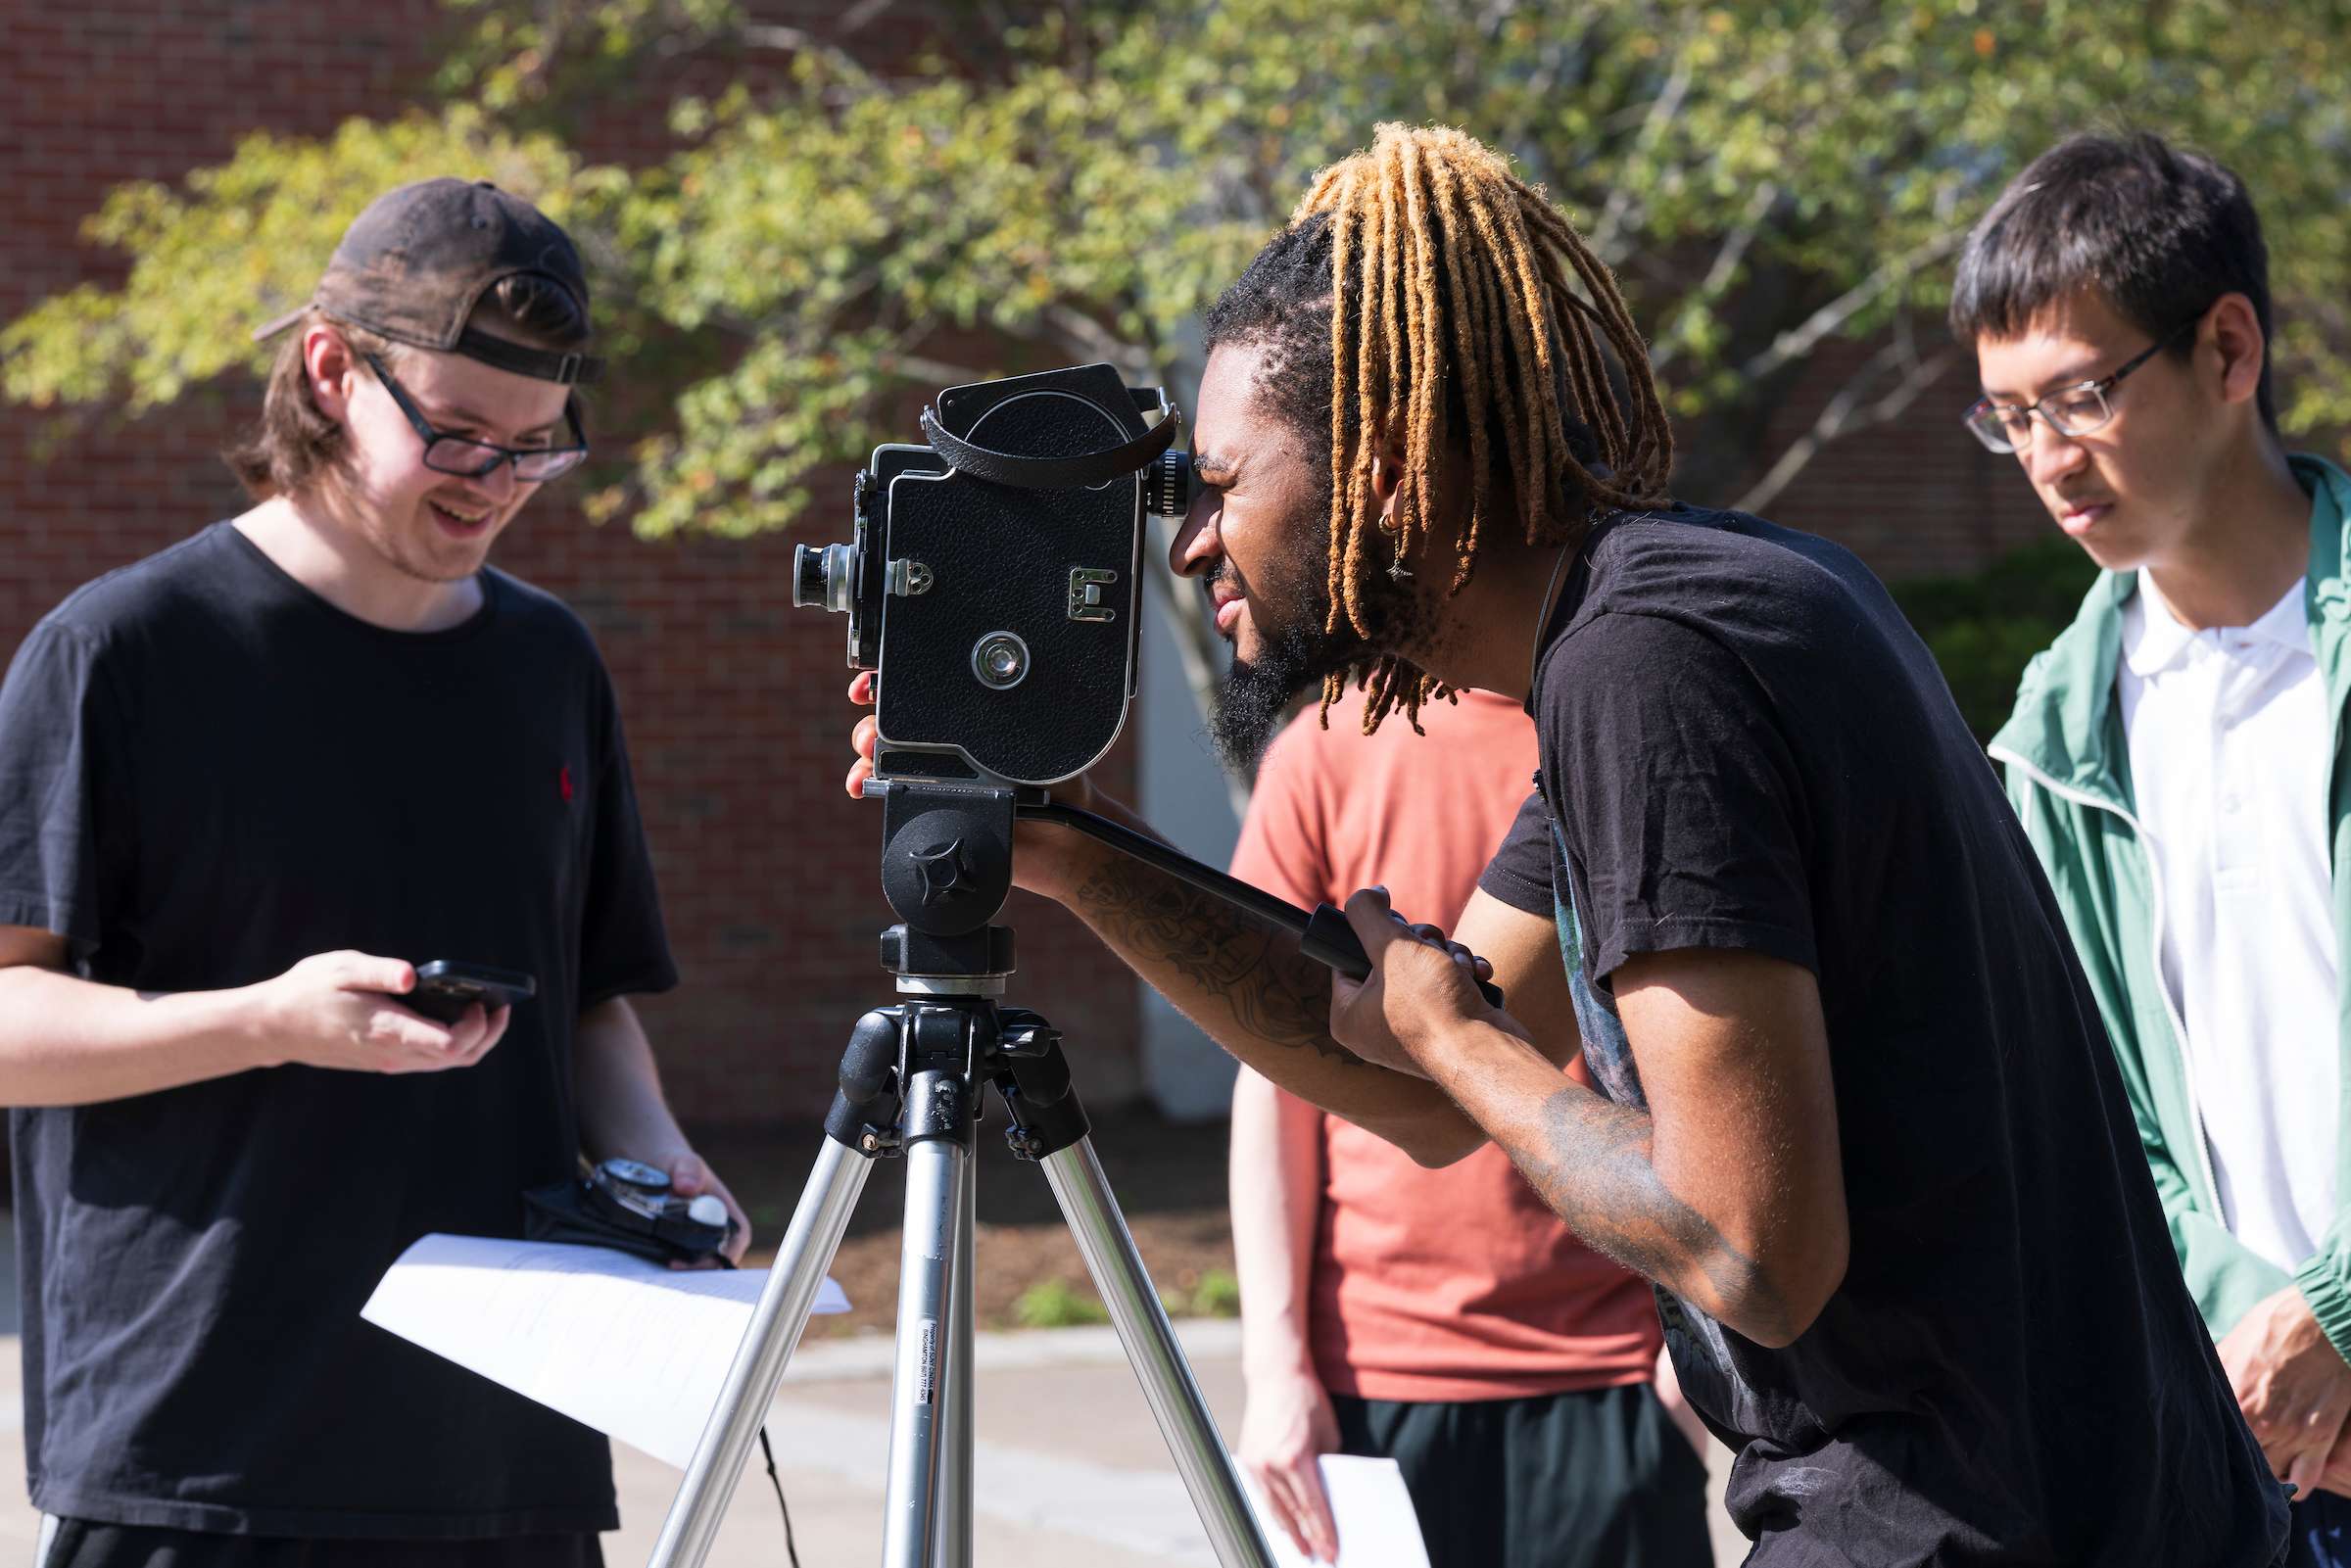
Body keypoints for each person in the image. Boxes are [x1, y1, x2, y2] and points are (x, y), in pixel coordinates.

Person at [846, 122, 2287, 1562]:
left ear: (1392, 471)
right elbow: (1398, 1078)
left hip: (1972, 1522)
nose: (1191, 546)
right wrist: (1075, 849)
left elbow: (1750, 1253)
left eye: (1224, 486)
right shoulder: (1669, 619)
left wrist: (1469, 1044)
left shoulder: (1651, 663)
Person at [0, 177, 746, 1567]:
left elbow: (589, 1002)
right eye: (458, 436)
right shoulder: (122, 654)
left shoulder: (549, 666)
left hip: (506, 1457)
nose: (497, 483)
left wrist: (657, 1159)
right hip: (201, 1460)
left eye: (537, 448)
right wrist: (267, 1020)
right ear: (332, 369)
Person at [1955, 132, 2351, 1556]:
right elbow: (2103, 1114)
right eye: (2012, 418)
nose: (2048, 462)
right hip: (2242, 1448)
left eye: (2079, 398)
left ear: (2229, 349)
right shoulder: (2052, 740)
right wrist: (2253, 1328)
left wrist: (2340, 1307)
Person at [1227, 685, 1709, 1567]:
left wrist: (1701, 1348)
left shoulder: (1624, 718)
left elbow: (1705, 1034)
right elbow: (1273, 1080)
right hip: (1370, 1377)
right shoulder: (1323, 745)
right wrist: (1275, 1367)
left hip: (1614, 1371)